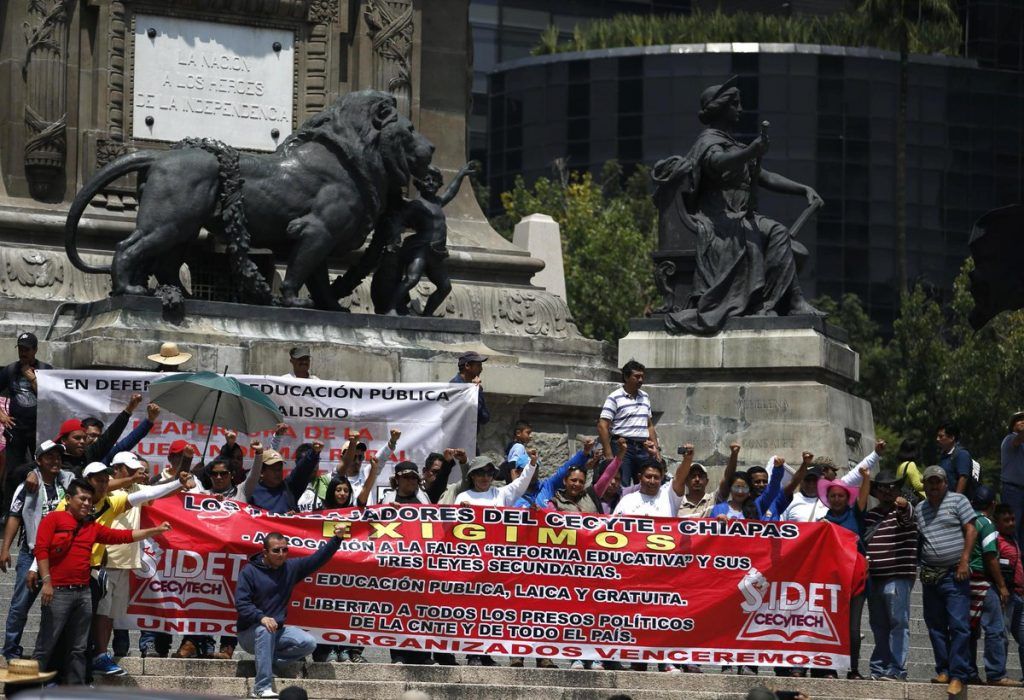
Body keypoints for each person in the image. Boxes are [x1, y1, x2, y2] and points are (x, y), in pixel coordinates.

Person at [650, 76, 824, 334]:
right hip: (718, 219)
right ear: (720, 108)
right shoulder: (708, 142)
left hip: (741, 216)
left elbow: (765, 177)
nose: (740, 110)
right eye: (735, 104)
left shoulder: (734, 144)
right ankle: (780, 302)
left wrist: (803, 189)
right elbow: (718, 163)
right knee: (773, 232)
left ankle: (777, 303)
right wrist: (751, 152)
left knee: (775, 234)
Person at [32, 478, 171, 685]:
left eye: (90, 500)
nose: (88, 503)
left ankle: (75, 690)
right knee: (46, 645)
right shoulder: (53, 519)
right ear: (68, 499)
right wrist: (46, 582)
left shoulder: (92, 526)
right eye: (83, 499)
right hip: (58, 591)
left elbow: (121, 536)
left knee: (79, 648)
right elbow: (41, 550)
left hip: (83, 593)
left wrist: (155, 531)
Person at [236, 527, 345, 698]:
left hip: (277, 631)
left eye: (285, 549)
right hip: (249, 633)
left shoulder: (290, 568)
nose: (281, 554)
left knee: (308, 643)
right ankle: (261, 686)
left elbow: (317, 559)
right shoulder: (249, 571)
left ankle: (268, 662)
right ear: (265, 552)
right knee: (265, 629)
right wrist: (261, 617)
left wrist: (337, 539)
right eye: (276, 550)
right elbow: (242, 604)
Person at [0, 440, 73, 662]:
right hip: (31, 553)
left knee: (54, 608)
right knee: (20, 605)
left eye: (58, 457)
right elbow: (14, 516)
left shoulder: (67, 483)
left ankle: (47, 653)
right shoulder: (28, 485)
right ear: (38, 461)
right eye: (49, 457)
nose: (55, 461)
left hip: (60, 557)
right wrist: (5, 550)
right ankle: (10, 651)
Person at [382, 162, 477, 317]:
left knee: (445, 287)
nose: (431, 183)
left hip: (436, 253)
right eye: (426, 180)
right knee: (412, 279)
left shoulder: (437, 203)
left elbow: (451, 192)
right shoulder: (416, 205)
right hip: (421, 249)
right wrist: (394, 237)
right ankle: (391, 308)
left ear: (439, 183)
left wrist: (461, 174)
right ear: (419, 184)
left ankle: (426, 315)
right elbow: (399, 220)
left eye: (434, 180)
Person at [916, 464, 978, 696]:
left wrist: (964, 560)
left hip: (955, 573)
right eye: (929, 482)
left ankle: (958, 675)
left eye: (937, 482)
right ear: (924, 485)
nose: (933, 486)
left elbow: (971, 530)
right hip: (931, 576)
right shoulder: (920, 508)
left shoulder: (958, 501)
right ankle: (943, 668)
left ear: (945, 483)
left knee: (959, 625)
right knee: (935, 626)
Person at [863, 471, 917, 681]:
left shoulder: (904, 510)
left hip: (897, 575)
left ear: (898, 490)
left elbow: (908, 518)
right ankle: (879, 668)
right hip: (874, 577)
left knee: (897, 623)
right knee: (878, 625)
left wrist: (903, 505)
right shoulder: (871, 514)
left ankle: (896, 669)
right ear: (875, 491)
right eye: (882, 488)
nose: (886, 491)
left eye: (891, 487)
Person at [818, 464, 871, 679]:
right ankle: (829, 668)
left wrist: (866, 478)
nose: (837, 499)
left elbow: (864, 498)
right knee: (829, 626)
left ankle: (853, 668)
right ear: (828, 498)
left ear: (846, 497)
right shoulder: (823, 523)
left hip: (855, 579)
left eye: (841, 495)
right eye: (834, 496)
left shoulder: (855, 515)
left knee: (852, 627)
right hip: (831, 581)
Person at [966, 486, 1018, 686]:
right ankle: (996, 673)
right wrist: (1002, 585)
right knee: (995, 628)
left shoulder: (969, 521)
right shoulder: (987, 524)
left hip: (967, 581)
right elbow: (990, 556)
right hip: (983, 581)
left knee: (971, 628)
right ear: (992, 505)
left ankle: (970, 671)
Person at [1, 332, 52, 510]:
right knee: (12, 471)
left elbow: (50, 398)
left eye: (27, 349)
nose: (23, 353)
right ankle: (8, 510)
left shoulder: (46, 370)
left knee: (42, 468)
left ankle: (39, 507)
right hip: (16, 429)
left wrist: (33, 380)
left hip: (39, 430)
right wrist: (1, 414)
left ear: (35, 350)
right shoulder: (9, 370)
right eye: (21, 349)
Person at [598, 360, 658, 487]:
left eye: (642, 376)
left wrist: (656, 449)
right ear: (626, 377)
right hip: (622, 447)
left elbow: (649, 425)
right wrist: (609, 455)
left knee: (646, 485)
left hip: (643, 448)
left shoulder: (645, 397)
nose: (641, 380)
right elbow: (603, 425)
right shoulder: (614, 397)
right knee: (621, 484)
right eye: (636, 376)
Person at [994, 503, 1024, 677]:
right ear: (997, 522)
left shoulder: (1013, 539)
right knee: (1002, 637)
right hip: (1006, 597)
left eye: (1012, 519)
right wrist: (1002, 587)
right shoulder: (996, 541)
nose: (1011, 523)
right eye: (1006, 520)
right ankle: (999, 675)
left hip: (1019, 596)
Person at [249, 443, 322, 514]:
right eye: (274, 469)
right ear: (261, 472)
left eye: (280, 469)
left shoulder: (289, 487)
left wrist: (313, 453)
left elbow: (301, 470)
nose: (278, 473)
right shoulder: (251, 492)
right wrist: (282, 516)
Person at [1001, 410, 1024, 546]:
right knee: (1011, 526)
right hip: (1013, 490)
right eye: (1018, 420)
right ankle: (1011, 559)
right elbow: (1019, 438)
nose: (1022, 421)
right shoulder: (1010, 439)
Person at [451, 351, 489, 429]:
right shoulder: (454, 387)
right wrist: (475, 391)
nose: (481, 369)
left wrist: (476, 390)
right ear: (467, 366)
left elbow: (484, 417)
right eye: (478, 365)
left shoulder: (474, 387)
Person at [936, 421, 973, 496]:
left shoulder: (962, 454)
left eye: (941, 436)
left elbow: (963, 478)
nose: (937, 439)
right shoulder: (944, 455)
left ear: (952, 438)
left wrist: (956, 501)